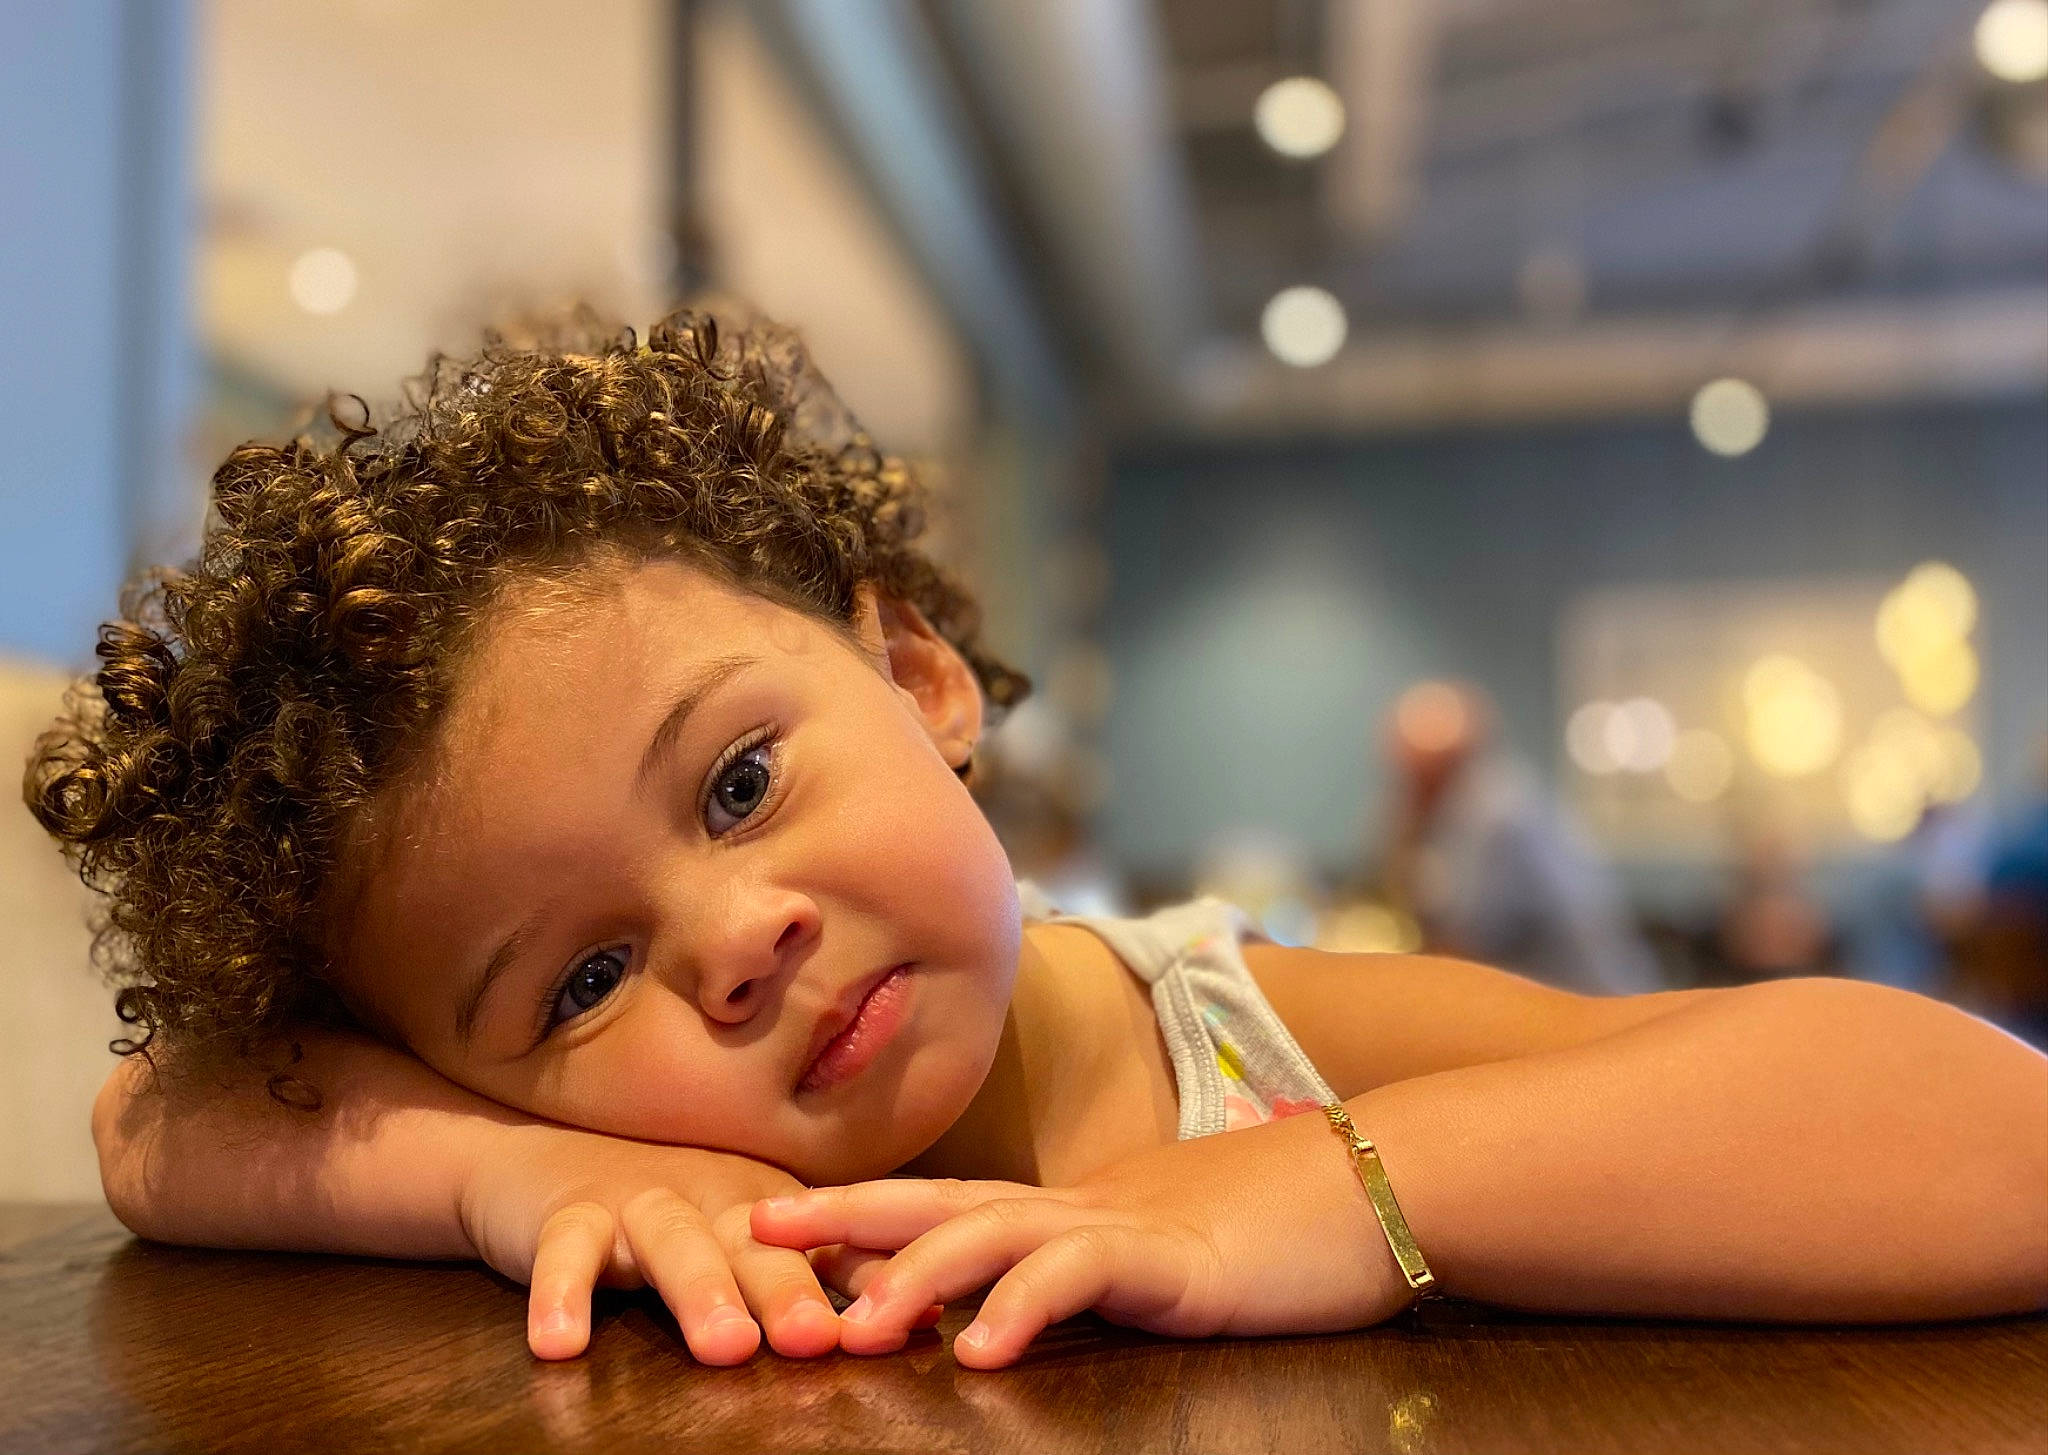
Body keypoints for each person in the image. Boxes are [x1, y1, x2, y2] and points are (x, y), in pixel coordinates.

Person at [27, 310, 2047, 1374]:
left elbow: (1990, 1133)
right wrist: (507, 1174)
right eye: (573, 981)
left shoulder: (1226, 1034)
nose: (732, 942)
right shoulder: (606, 1183)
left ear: (916, 678)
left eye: (737, 782)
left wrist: (1322, 1204)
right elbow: (154, 1121)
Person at [1381, 681, 1660, 995]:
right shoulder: (1505, 796)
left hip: (1588, 1007)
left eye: (1412, 776)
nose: (1404, 790)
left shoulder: (1494, 818)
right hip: (1583, 998)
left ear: (1443, 768)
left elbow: (1466, 949)